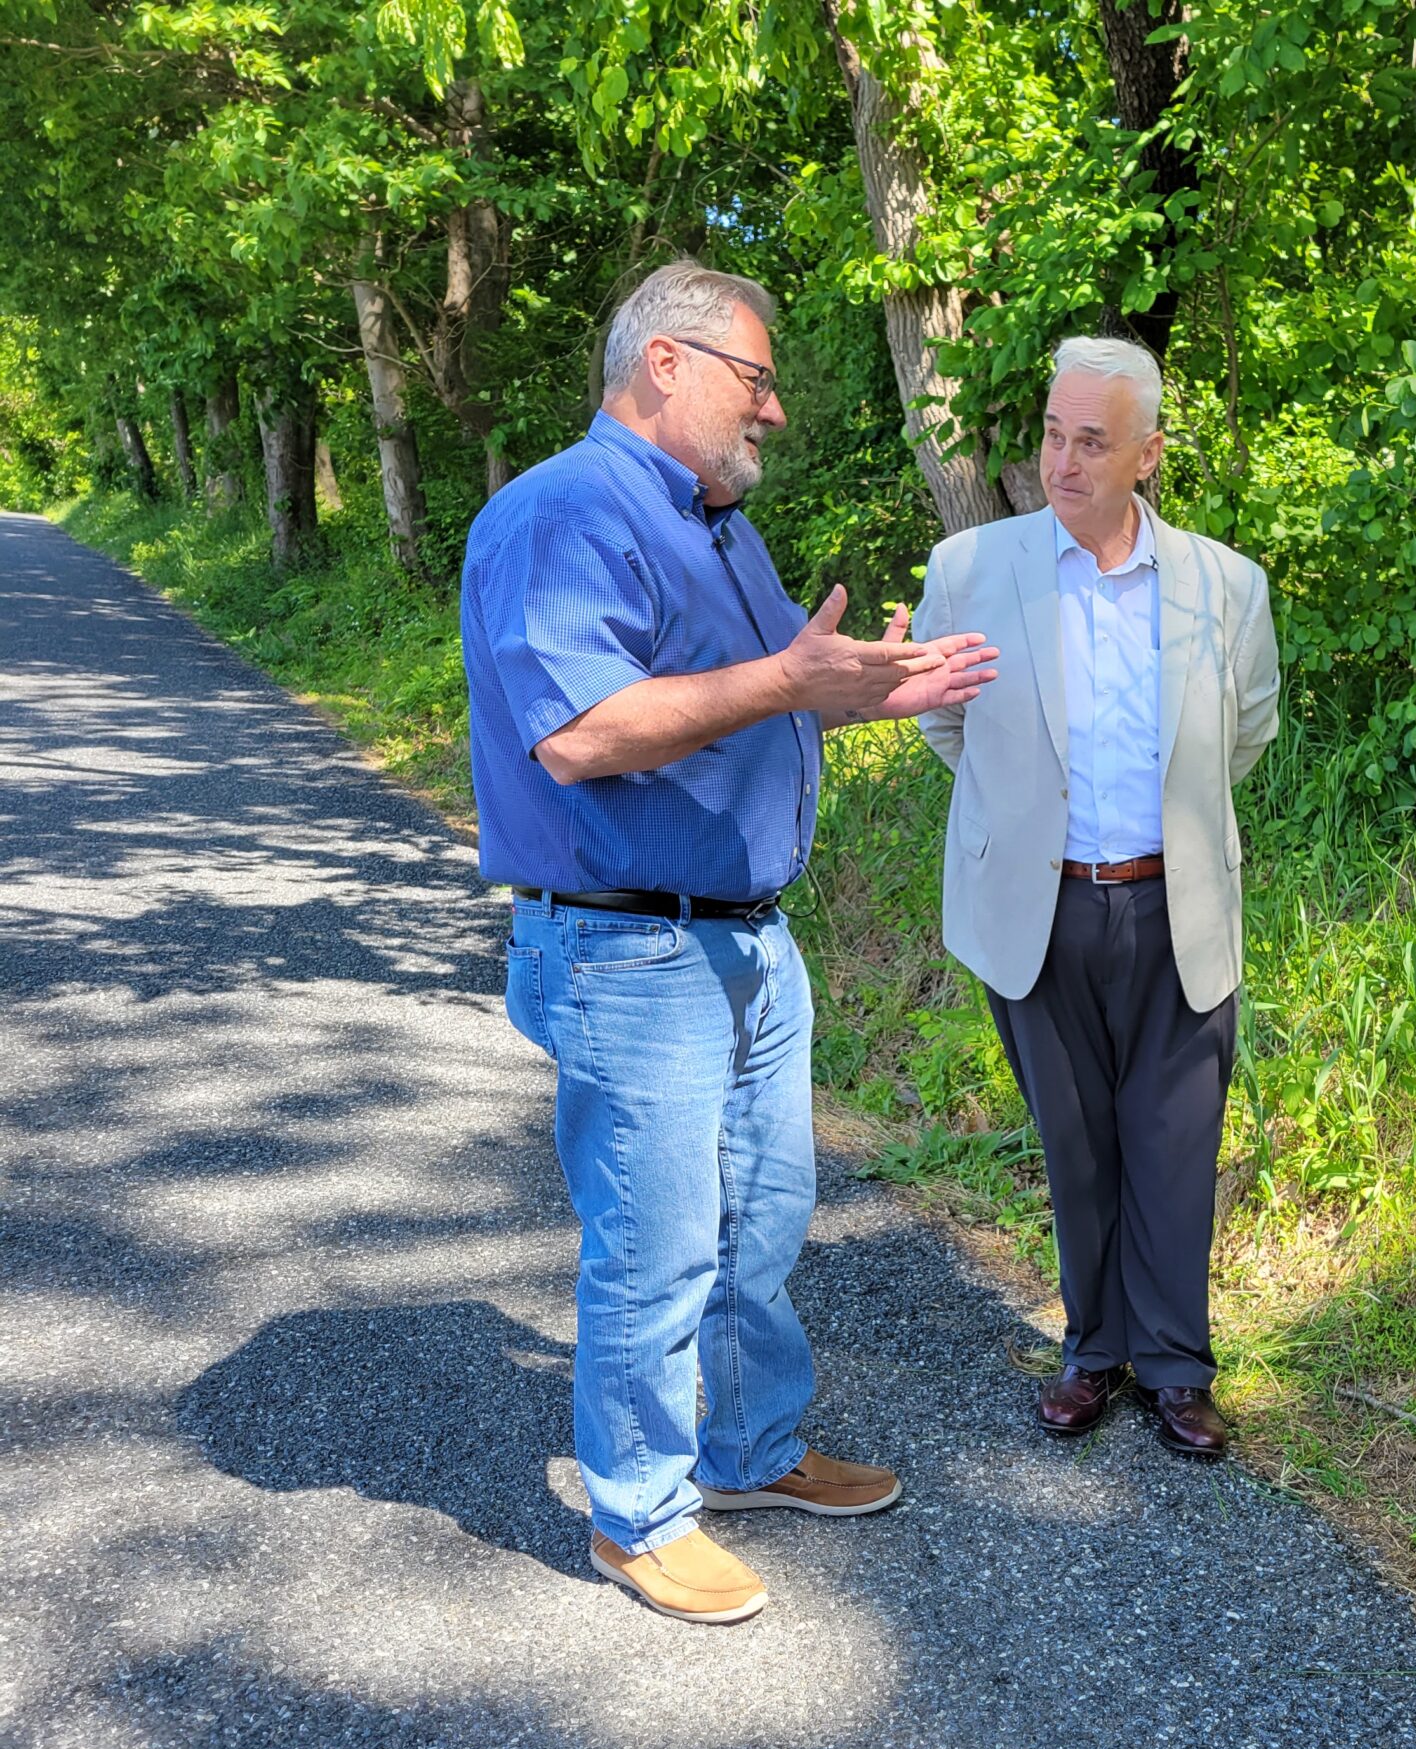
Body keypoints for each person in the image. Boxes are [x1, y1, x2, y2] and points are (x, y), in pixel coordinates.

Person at [461, 261, 996, 1624]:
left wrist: (884, 687)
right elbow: (580, 735)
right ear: (666, 366)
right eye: (756, 380)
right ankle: (637, 1517)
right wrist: (785, 679)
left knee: (763, 1219)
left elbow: (771, 698)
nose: (772, 412)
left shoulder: (716, 529)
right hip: (630, 950)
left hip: (748, 943)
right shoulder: (565, 514)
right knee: (655, 1244)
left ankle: (749, 1453)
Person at [916, 337, 1280, 1460]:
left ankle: (1176, 1367)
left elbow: (1247, 730)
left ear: (1146, 456)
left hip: (1177, 904)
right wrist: (1026, 823)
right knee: (1075, 1144)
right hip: (1040, 906)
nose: (1062, 463)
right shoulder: (971, 568)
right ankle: (1093, 1349)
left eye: (1091, 441)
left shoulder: (1225, 584)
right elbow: (942, 718)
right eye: (1051, 435)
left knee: (1174, 1141)